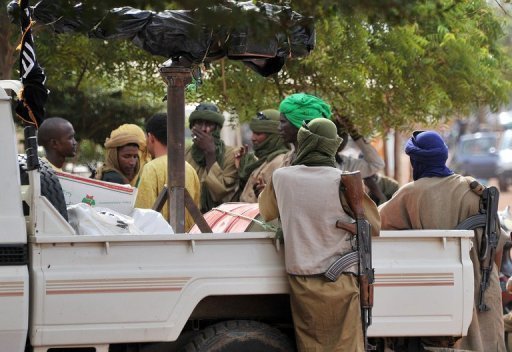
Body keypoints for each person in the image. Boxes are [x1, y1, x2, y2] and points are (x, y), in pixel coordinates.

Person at [259, 116, 380, 352]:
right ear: (331, 146)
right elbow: (373, 226)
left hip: (301, 282)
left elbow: (267, 212)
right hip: (341, 281)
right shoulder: (342, 180)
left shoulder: (281, 176)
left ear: (304, 142)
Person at [379, 130, 507, 351]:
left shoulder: (411, 193)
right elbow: (499, 245)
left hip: (439, 295)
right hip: (483, 293)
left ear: (415, 161)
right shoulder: (474, 190)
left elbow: (374, 223)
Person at [135, 113, 200, 232]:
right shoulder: (190, 169)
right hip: (188, 243)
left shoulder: (150, 169)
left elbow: (143, 215)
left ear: (151, 137)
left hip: (159, 245)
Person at [185, 102, 239, 213]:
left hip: (218, 220)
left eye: (209, 124)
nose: (204, 129)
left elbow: (220, 192)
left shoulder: (230, 155)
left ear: (217, 128)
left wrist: (210, 154)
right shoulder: (184, 155)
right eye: (199, 123)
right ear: (192, 127)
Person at [236, 109, 289, 202]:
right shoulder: (263, 160)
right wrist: (243, 165)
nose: (252, 138)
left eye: (258, 134)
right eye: (253, 133)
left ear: (273, 136)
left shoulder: (280, 162)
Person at [277, 92, 331, 167]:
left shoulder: (317, 161)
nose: (279, 128)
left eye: (283, 122)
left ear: (301, 125)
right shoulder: (289, 157)